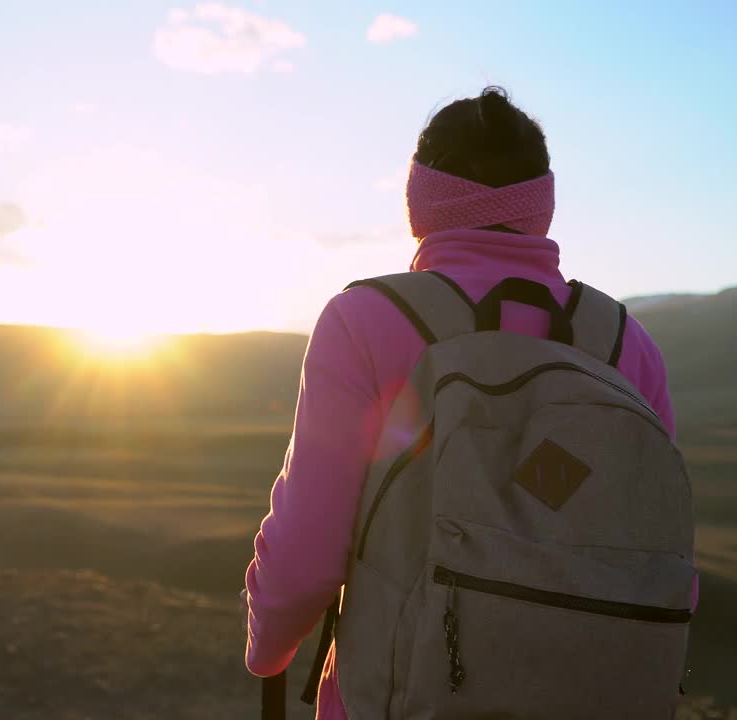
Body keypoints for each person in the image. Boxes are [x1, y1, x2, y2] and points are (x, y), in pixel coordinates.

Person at [242, 86, 691, 719]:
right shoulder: (625, 344)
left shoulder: (365, 320)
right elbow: (662, 550)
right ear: (543, 203)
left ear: (420, 198)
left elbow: (306, 556)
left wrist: (268, 650)